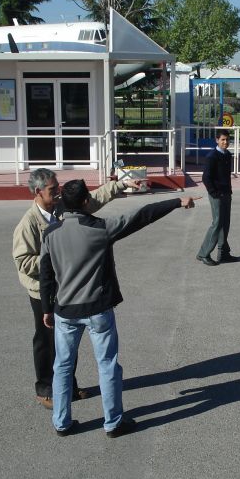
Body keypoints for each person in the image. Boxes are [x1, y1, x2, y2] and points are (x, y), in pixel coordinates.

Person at [40, 179, 199, 437]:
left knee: (63, 366)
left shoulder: (50, 234)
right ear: (85, 201)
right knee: (107, 365)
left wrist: (47, 308)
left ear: (63, 203)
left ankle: (61, 422)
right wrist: (177, 202)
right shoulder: (101, 228)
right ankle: (113, 423)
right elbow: (141, 216)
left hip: (65, 312)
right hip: (97, 310)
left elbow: (46, 275)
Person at [12, 168, 142, 410]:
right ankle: (45, 389)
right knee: (46, 341)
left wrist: (121, 185)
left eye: (58, 188)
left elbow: (95, 198)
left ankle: (68, 387)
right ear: (38, 191)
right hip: (42, 292)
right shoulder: (28, 223)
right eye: (53, 189)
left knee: (66, 344)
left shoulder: (62, 208)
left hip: (64, 287)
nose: (58, 192)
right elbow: (23, 262)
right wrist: (54, 257)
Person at [196, 129, 238, 266]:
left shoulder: (227, 155)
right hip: (217, 195)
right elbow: (206, 178)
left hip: (226, 194)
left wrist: (228, 191)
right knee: (217, 223)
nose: (225, 142)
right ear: (217, 140)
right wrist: (214, 193)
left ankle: (223, 253)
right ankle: (203, 254)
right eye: (222, 140)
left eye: (227, 139)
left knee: (225, 223)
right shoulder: (212, 156)